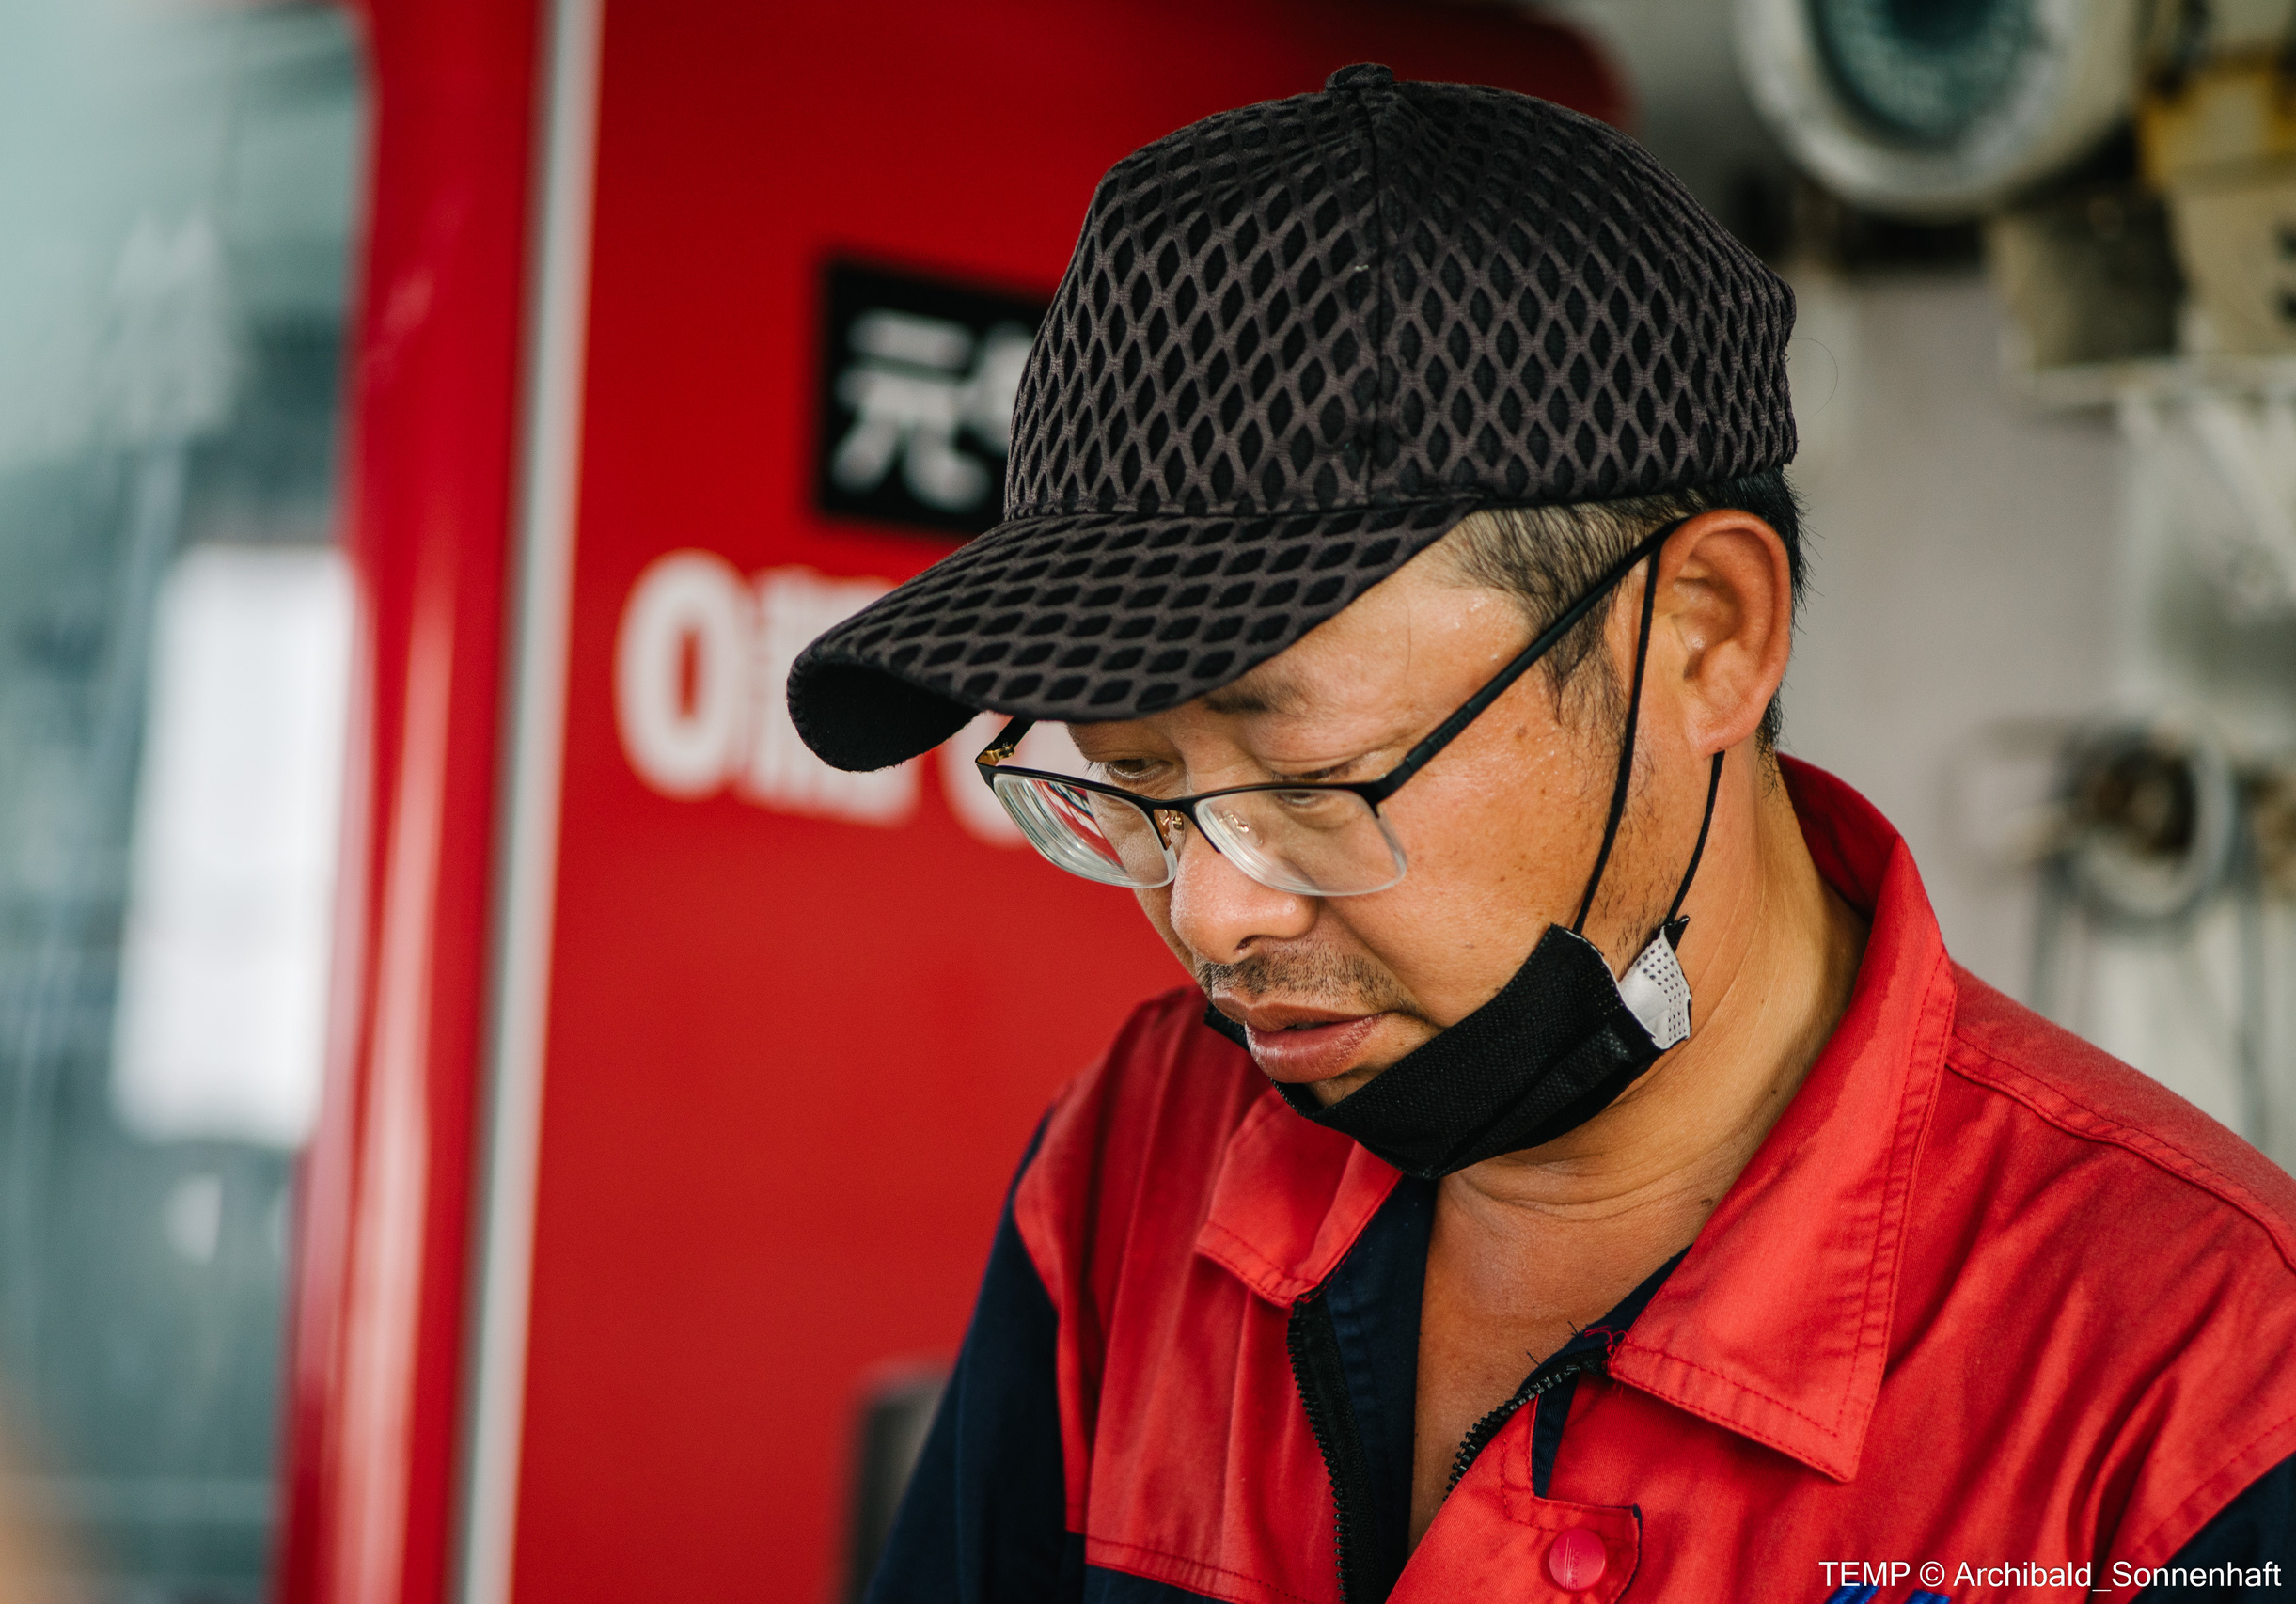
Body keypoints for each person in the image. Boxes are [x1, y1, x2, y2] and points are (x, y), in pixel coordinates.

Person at [790, 66, 2296, 1604]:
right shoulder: (1143, 1158)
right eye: (1135, 787)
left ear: (1706, 636)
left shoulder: (2200, 1402)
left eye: (1312, 784)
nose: (1220, 913)